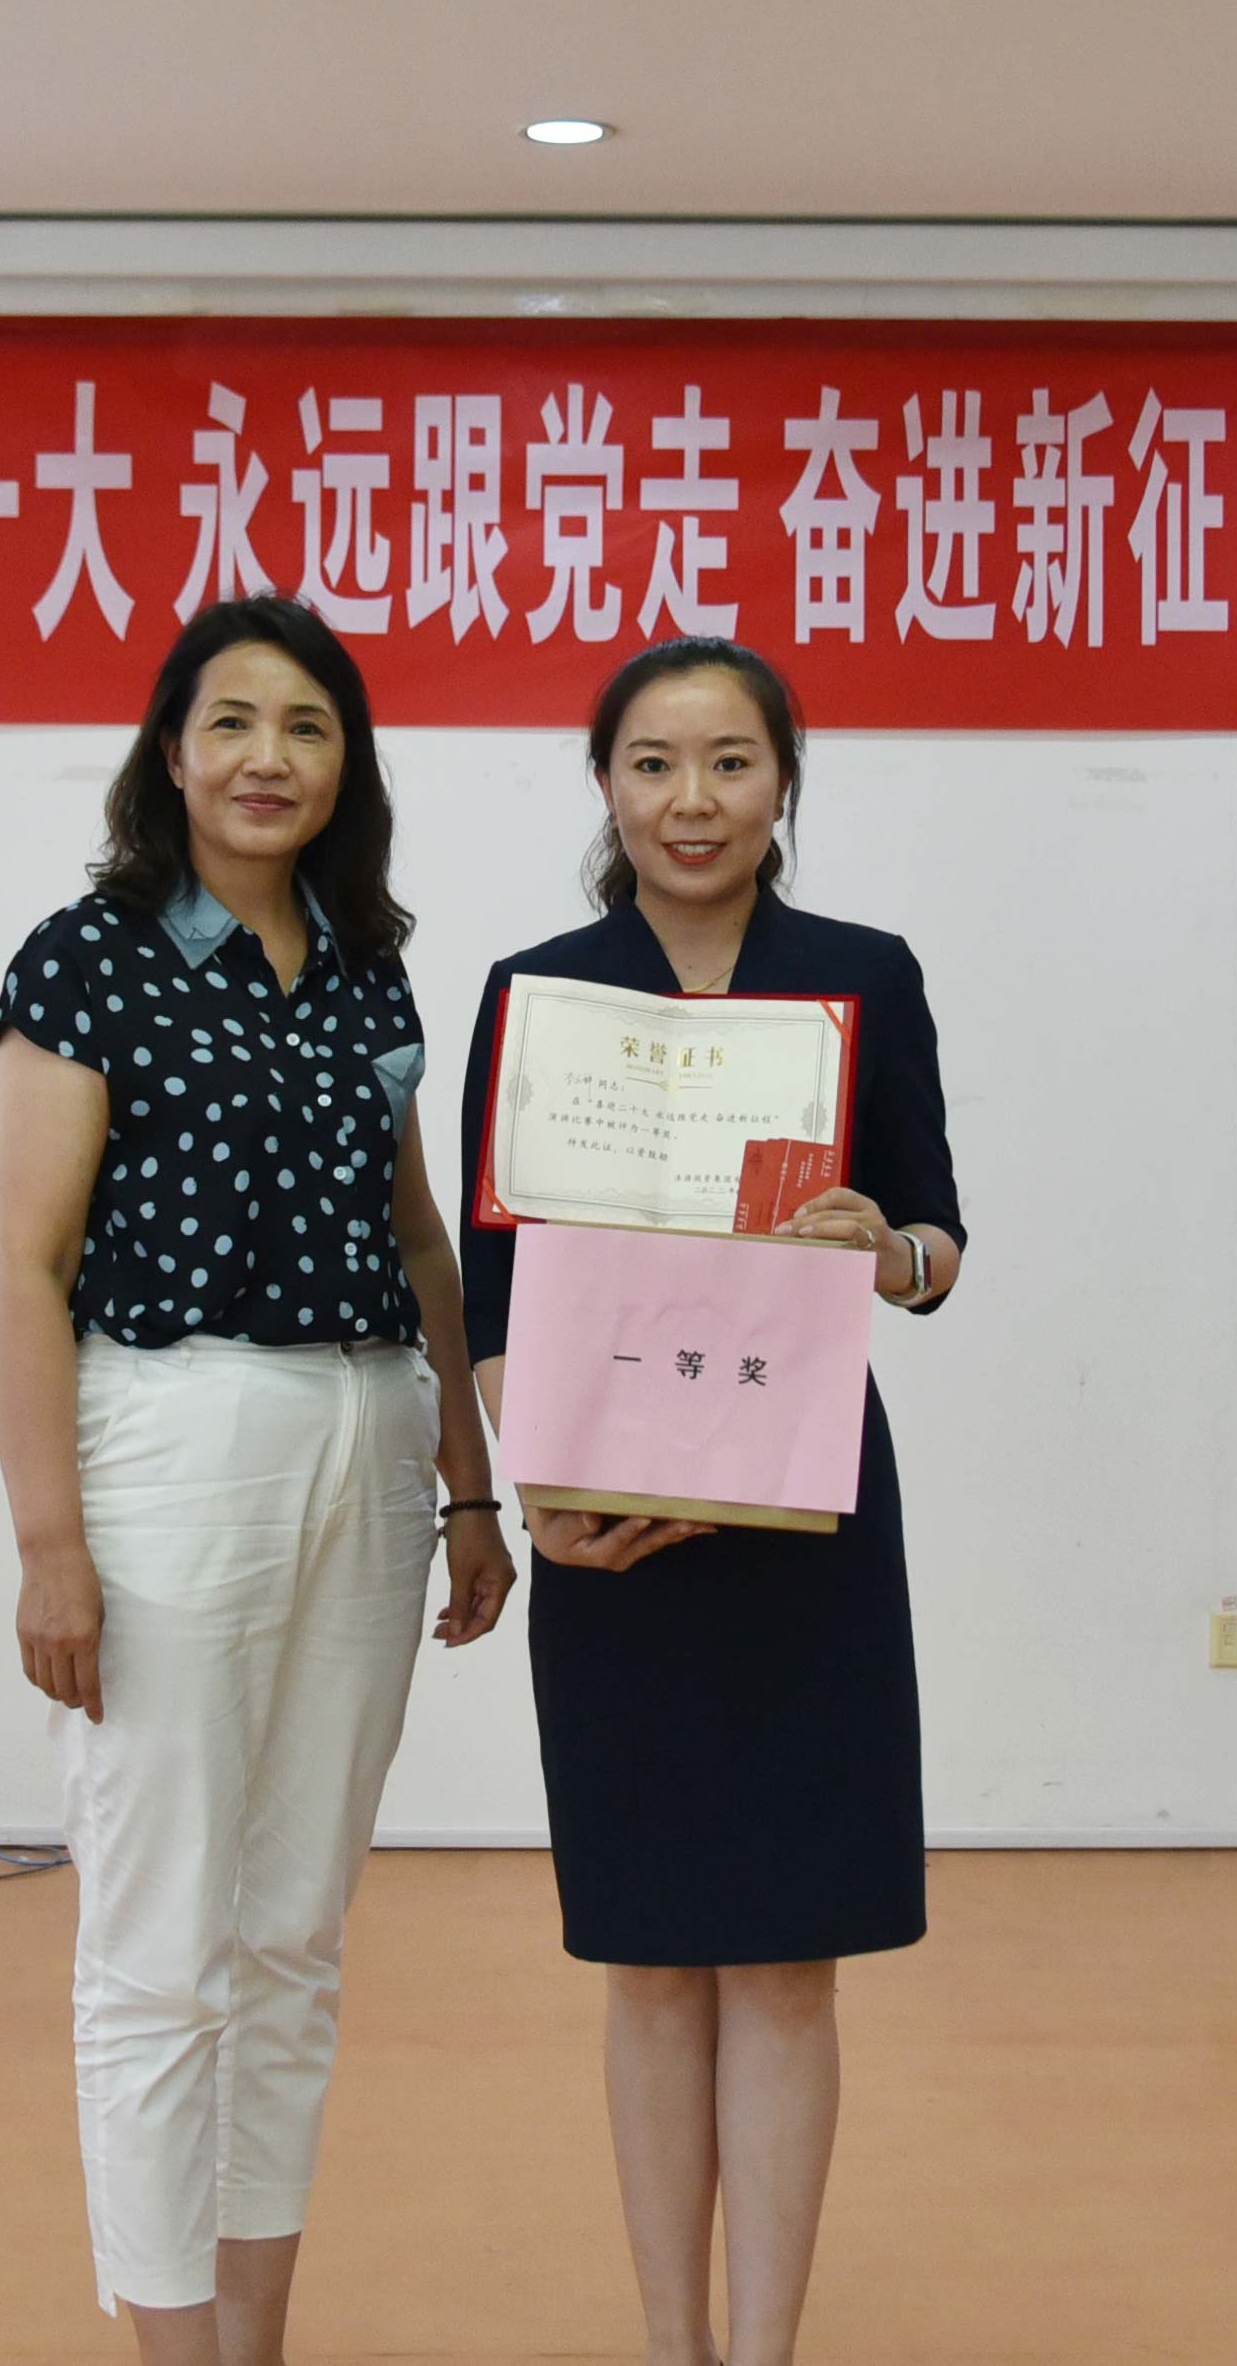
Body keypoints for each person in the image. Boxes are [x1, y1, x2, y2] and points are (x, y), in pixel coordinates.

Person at [0, 592, 517, 2364]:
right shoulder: (89, 957)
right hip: (170, 1441)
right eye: (231, 721)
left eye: (305, 725)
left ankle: (254, 2340)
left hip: (369, 1443)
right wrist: (49, 1544)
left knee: (293, 1941)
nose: (266, 757)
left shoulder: (366, 966)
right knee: (159, 1953)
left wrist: (468, 1483)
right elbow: (22, 1267)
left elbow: (419, 1237)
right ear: (171, 751)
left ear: (346, 760)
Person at [458, 637, 965, 2366]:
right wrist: (542, 1496)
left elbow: (941, 1239)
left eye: (732, 762)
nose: (694, 800)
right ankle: (671, 2343)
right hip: (612, 1534)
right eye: (656, 764)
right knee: (654, 1957)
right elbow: (493, 1284)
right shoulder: (542, 993)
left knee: (788, 1961)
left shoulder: (861, 976)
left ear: (782, 784)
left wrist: (883, 1246)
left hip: (803, 1514)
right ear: (606, 784)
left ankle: (763, 2353)